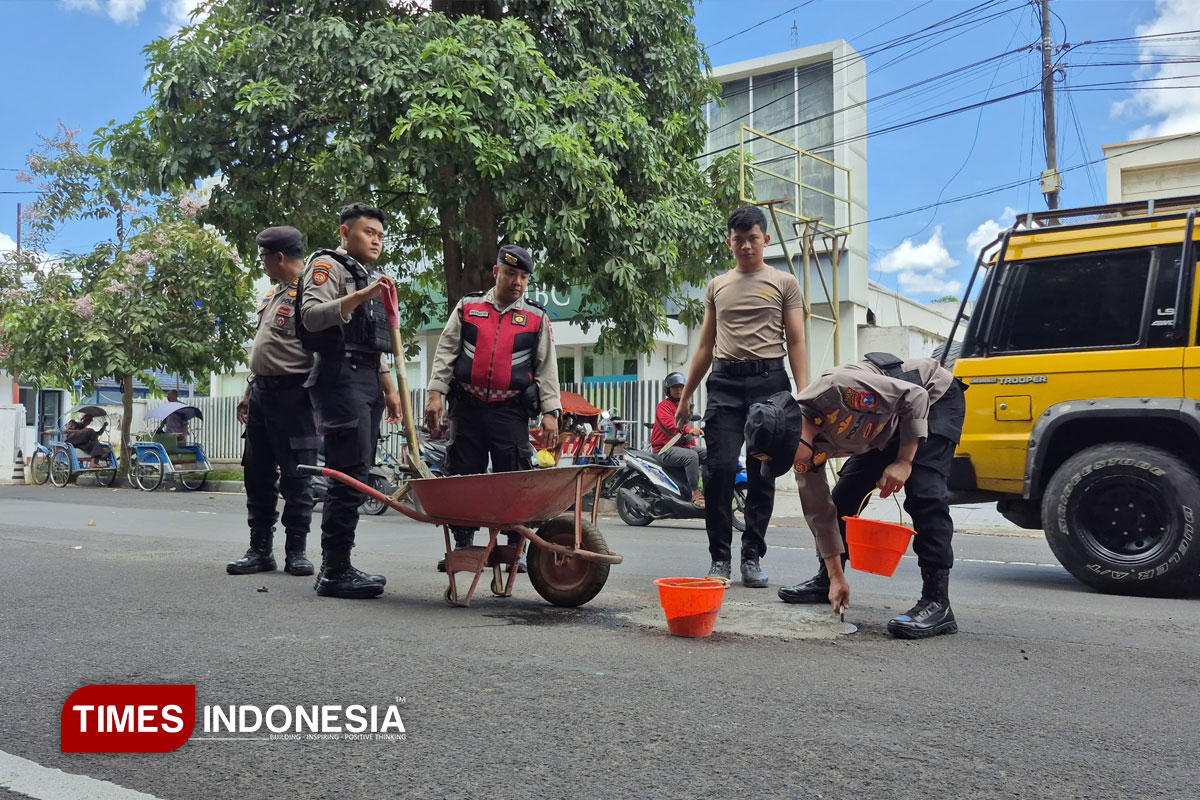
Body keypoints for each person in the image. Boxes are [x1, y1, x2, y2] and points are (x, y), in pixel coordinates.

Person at [746, 353, 965, 639]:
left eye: (786, 459)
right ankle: (826, 584)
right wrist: (837, 576)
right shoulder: (802, 451)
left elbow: (916, 396)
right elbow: (820, 514)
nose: (789, 466)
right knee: (844, 498)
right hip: (885, 427)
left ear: (794, 434)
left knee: (924, 494)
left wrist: (904, 461)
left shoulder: (839, 391)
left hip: (933, 399)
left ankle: (938, 603)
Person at [674, 205, 808, 587]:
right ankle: (720, 560)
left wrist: (804, 394)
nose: (746, 246)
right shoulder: (717, 286)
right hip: (725, 385)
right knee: (719, 472)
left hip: (771, 386)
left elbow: (796, 341)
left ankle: (752, 556)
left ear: (765, 240)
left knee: (763, 472)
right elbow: (704, 346)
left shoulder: (785, 283)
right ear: (729, 243)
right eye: (739, 240)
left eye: (753, 239)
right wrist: (686, 397)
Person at [424, 244, 561, 571]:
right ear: (497, 272)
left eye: (525, 277)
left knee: (515, 482)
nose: (518, 282)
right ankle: (463, 547)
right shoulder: (468, 307)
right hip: (467, 408)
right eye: (512, 273)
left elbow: (546, 368)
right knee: (463, 478)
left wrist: (551, 412)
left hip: (510, 412)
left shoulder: (536, 316)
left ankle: (516, 550)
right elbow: (445, 352)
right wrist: (435, 393)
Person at [300, 203, 403, 599]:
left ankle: (338, 564)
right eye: (367, 232)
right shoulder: (328, 266)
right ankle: (335, 569)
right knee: (348, 471)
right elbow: (311, 316)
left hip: (366, 377)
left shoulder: (372, 277)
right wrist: (359, 296)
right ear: (345, 233)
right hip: (338, 376)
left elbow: (372, 342)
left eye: (379, 234)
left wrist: (390, 389)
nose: (375, 239)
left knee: (359, 469)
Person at [226, 226, 320, 579]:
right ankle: (260, 549)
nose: (262, 263)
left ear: (279, 256)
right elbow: (266, 351)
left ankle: (296, 551)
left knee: (297, 477)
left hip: (296, 396)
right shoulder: (274, 294)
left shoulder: (310, 294)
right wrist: (250, 392)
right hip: (263, 395)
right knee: (257, 473)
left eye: (264, 257)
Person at [650, 372, 704, 507]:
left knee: (707, 453)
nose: (678, 389)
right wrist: (689, 430)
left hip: (681, 447)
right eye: (675, 387)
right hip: (664, 449)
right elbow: (672, 424)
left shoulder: (685, 405)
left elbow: (688, 428)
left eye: (681, 387)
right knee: (692, 456)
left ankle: (710, 489)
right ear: (668, 390)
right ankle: (695, 494)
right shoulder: (664, 406)